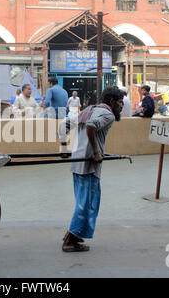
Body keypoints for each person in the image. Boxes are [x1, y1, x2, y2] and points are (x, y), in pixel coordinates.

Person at [58, 86, 123, 252]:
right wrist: (95, 152)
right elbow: (91, 127)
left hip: (77, 162)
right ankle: (69, 240)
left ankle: (74, 235)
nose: (122, 106)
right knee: (87, 204)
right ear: (112, 102)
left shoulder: (89, 110)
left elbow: (63, 125)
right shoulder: (107, 114)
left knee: (83, 202)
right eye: (120, 102)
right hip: (88, 165)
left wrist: (64, 149)